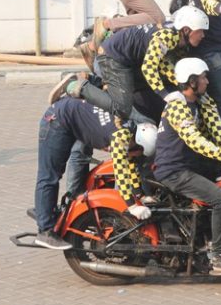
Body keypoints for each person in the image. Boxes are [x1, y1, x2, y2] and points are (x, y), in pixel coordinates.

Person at [153, 57, 221, 275]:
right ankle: (218, 255)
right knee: (220, 198)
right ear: (191, 81)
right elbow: (194, 140)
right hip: (174, 171)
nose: (207, 81)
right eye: (203, 77)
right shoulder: (177, 106)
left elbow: (219, 131)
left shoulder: (199, 102)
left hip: (191, 165)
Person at [33, 97, 157, 250]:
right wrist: (132, 206)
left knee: (54, 174)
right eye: (140, 152)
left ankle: (44, 211)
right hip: (57, 120)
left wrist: (140, 196)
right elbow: (121, 173)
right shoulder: (120, 138)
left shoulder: (132, 130)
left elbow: (130, 165)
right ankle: (45, 231)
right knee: (50, 175)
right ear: (137, 144)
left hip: (71, 117)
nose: (139, 156)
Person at [66, 5, 210, 125]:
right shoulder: (167, 36)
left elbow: (162, 63)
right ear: (186, 30)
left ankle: (95, 82)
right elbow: (149, 67)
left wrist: (182, 83)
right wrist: (165, 95)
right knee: (122, 108)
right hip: (113, 57)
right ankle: (78, 86)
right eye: (200, 31)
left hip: (125, 59)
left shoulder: (173, 35)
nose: (203, 36)